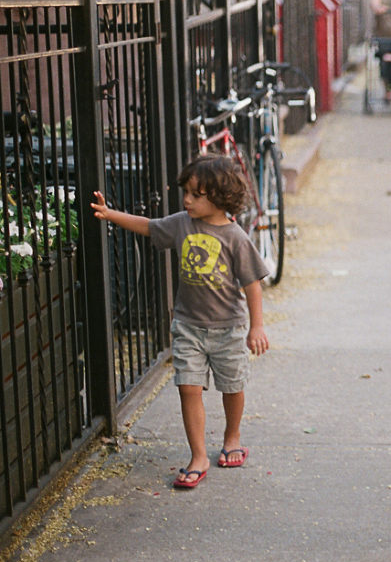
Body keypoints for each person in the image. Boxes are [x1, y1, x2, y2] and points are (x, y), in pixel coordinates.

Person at [91, 155, 270, 489]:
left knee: (231, 386)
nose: (187, 199)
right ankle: (198, 456)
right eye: (186, 192)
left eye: (196, 195)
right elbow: (147, 225)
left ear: (220, 198)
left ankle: (232, 437)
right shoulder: (181, 224)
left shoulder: (235, 238)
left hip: (228, 328)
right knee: (188, 387)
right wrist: (109, 214)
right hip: (188, 325)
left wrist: (257, 327)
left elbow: (252, 285)